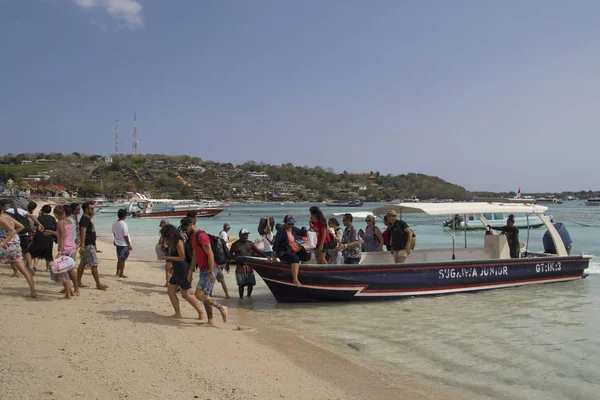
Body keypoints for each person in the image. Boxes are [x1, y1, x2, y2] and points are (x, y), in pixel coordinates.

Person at [182, 218, 228, 326]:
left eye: (186, 229)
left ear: (191, 225)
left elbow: (210, 254)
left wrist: (211, 272)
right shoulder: (193, 237)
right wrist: (190, 271)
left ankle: (222, 308)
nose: (185, 231)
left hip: (210, 269)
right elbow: (195, 256)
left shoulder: (201, 236)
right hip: (203, 269)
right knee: (204, 295)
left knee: (199, 295)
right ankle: (210, 321)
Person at [158, 223, 205, 320]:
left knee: (186, 295)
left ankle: (201, 311)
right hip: (177, 269)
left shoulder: (178, 242)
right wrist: (172, 266)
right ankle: (178, 313)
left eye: (165, 235)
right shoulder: (172, 242)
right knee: (170, 292)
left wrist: (166, 257)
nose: (164, 237)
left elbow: (182, 257)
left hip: (183, 270)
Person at [0, 206, 37, 297]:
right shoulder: (7, 216)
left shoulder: (1, 219)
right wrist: (12, 236)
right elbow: (21, 227)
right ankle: (33, 291)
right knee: (23, 269)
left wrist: (3, 241)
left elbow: (12, 230)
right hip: (15, 244)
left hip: (5, 245)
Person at [44, 206, 79, 298]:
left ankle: (68, 293)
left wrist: (59, 251)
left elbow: (62, 238)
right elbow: (65, 234)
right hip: (72, 247)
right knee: (70, 269)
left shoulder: (60, 222)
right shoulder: (69, 221)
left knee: (62, 270)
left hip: (65, 248)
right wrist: (52, 232)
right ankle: (75, 290)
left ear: (55, 214)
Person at [1, 199, 44, 273]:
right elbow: (32, 216)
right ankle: (30, 266)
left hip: (12, 236)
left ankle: (15, 272)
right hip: (24, 234)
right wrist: (39, 224)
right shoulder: (19, 210)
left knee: (13, 254)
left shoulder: (4, 214)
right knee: (26, 251)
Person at [270, 215, 311, 286]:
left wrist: (310, 228)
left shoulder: (293, 229)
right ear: (285, 222)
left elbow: (302, 232)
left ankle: (302, 272)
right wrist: (273, 256)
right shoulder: (281, 230)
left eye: (292, 224)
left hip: (292, 249)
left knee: (306, 255)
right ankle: (295, 279)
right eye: (289, 224)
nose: (290, 225)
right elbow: (276, 243)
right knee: (295, 259)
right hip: (283, 251)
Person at [76, 202, 108, 290]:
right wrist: (82, 245)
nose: (93, 210)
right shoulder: (85, 219)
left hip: (90, 244)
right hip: (88, 245)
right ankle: (98, 284)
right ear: (86, 209)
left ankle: (78, 282)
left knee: (82, 264)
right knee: (94, 264)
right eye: (92, 208)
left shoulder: (87, 219)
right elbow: (83, 232)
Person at [230, 228, 265, 299]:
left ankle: (249, 297)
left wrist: (266, 257)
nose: (246, 236)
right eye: (245, 235)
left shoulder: (250, 243)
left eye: (247, 235)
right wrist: (227, 264)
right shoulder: (235, 244)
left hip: (249, 266)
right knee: (241, 285)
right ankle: (241, 299)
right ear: (240, 235)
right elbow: (230, 255)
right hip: (240, 266)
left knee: (250, 284)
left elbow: (258, 252)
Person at [30, 204, 56, 272]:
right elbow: (54, 228)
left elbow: (35, 227)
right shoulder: (52, 218)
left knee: (36, 250)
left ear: (42, 210)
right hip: (49, 236)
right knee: (48, 251)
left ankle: (35, 265)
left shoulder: (39, 218)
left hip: (39, 235)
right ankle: (47, 268)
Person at [112, 209, 133, 278]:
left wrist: (114, 240)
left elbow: (114, 233)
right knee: (123, 259)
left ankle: (117, 272)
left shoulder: (114, 223)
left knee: (119, 259)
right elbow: (125, 235)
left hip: (118, 243)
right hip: (123, 244)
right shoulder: (124, 224)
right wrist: (129, 244)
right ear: (124, 216)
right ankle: (121, 273)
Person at [215, 223, 231, 299]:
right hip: (222, 258)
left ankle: (210, 293)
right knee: (221, 278)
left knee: (216, 276)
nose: (229, 228)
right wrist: (228, 257)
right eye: (228, 227)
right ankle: (227, 294)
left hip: (219, 259)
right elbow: (224, 244)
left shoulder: (221, 232)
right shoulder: (224, 234)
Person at [157, 219, 172, 286]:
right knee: (171, 267)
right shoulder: (173, 231)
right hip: (174, 250)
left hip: (169, 250)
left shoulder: (164, 233)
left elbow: (160, 242)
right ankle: (169, 283)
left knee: (168, 267)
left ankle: (168, 283)